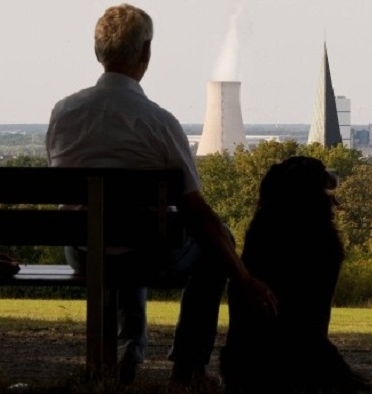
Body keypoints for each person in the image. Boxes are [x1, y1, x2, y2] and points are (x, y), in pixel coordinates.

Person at [45, 3, 277, 389]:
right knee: (209, 243)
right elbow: (198, 213)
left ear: (98, 51)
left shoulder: (63, 113)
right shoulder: (158, 122)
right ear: (146, 53)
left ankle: (127, 354)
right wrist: (244, 277)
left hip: (83, 250)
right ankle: (189, 368)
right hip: (143, 252)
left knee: (115, 237)